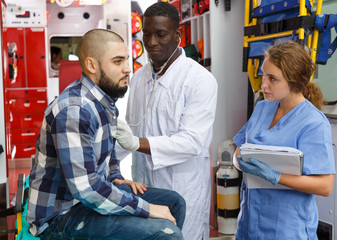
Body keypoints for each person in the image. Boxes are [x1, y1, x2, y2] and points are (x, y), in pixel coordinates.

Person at [27, 29, 186, 240]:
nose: (128, 69)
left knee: (174, 203)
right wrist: (146, 208)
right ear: (92, 65)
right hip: (60, 215)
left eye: (126, 61)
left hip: (85, 200)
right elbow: (86, 188)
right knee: (166, 233)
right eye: (118, 62)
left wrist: (117, 178)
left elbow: (107, 155)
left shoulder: (105, 103)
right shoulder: (74, 110)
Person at [115, 2, 218, 239]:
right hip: (145, 189)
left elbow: (192, 142)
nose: (151, 42)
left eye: (160, 34)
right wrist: (97, 162)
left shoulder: (200, 80)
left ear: (178, 35)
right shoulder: (139, 78)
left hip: (183, 188)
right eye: (147, 34)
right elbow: (129, 132)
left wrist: (136, 143)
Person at [233, 41, 335, 239]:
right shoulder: (263, 108)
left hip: (286, 227)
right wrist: (239, 161)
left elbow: (325, 186)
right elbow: (239, 149)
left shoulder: (313, 123)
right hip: (249, 221)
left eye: (273, 79)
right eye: (263, 75)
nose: (263, 85)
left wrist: (275, 176)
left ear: (294, 81)